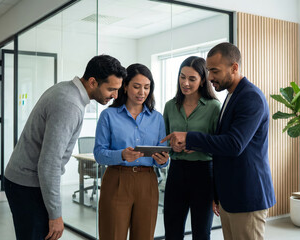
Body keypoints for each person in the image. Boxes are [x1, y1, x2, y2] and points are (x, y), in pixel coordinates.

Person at [4, 55, 127, 240]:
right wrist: (55, 215)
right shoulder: (70, 105)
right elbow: (49, 163)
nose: (115, 96)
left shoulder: (65, 89)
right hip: (28, 186)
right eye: (111, 89)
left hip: (22, 181)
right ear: (93, 82)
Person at [162, 42, 276, 240]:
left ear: (234, 67)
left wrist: (190, 138)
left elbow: (234, 144)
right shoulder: (232, 96)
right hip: (230, 193)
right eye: (208, 70)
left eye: (214, 71)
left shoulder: (250, 97)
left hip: (246, 194)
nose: (210, 77)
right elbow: (221, 143)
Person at [94, 63, 169, 240]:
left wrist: (163, 160)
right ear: (125, 86)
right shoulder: (109, 115)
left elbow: (164, 158)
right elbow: (99, 153)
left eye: (146, 87)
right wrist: (121, 155)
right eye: (136, 86)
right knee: (112, 235)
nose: (142, 92)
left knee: (144, 235)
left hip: (148, 181)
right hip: (117, 180)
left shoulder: (157, 118)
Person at [162, 56, 220, 240]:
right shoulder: (170, 106)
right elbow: (163, 142)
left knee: (201, 232)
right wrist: (172, 149)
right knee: (172, 229)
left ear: (203, 80)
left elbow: (219, 145)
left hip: (203, 174)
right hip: (176, 172)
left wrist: (197, 145)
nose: (185, 83)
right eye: (182, 77)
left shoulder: (214, 107)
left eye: (192, 79)